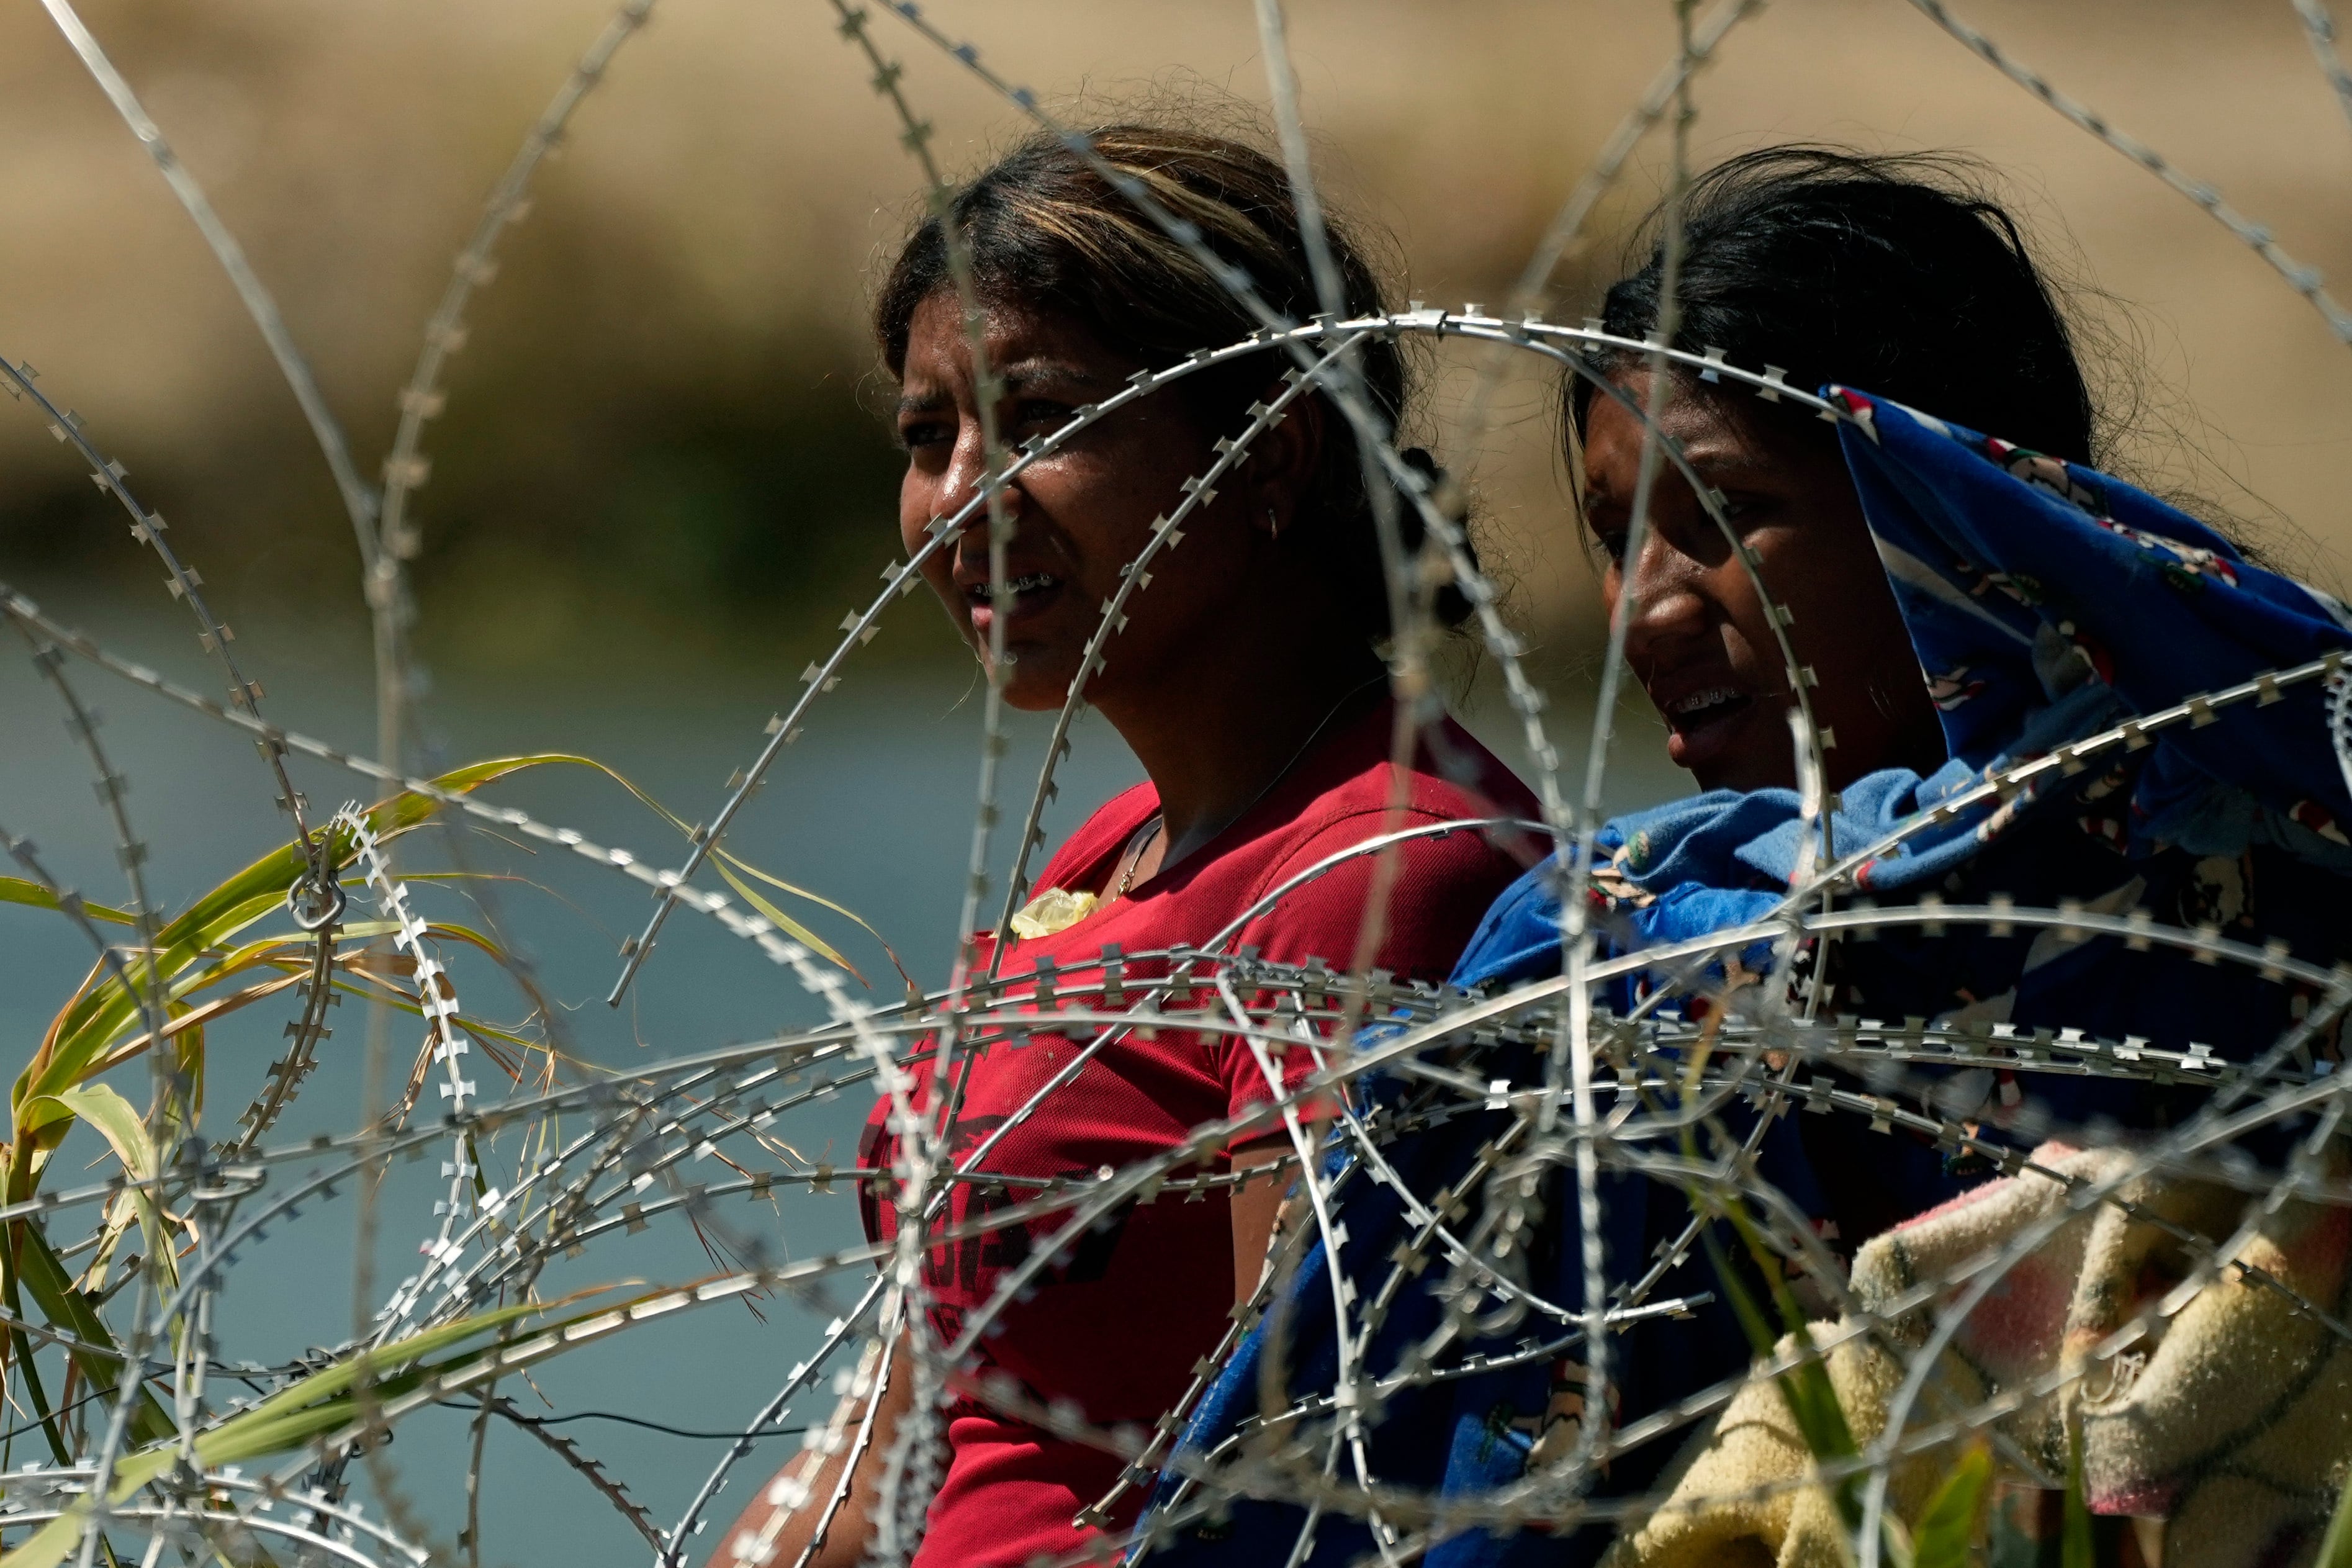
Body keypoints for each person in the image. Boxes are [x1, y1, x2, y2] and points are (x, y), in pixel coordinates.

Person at [1142, 148, 2352, 1564]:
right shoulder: (1676, 963)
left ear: (1940, 509)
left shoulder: (2232, 849)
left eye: (1720, 519)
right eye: (1613, 537)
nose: (1647, 611)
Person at [712, 124, 1541, 1568]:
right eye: (928, 437)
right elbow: (905, 1426)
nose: (963, 495)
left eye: (1035, 422)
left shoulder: (1379, 878)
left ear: (1266, 449)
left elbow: (1300, 1495)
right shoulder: (1115, 853)